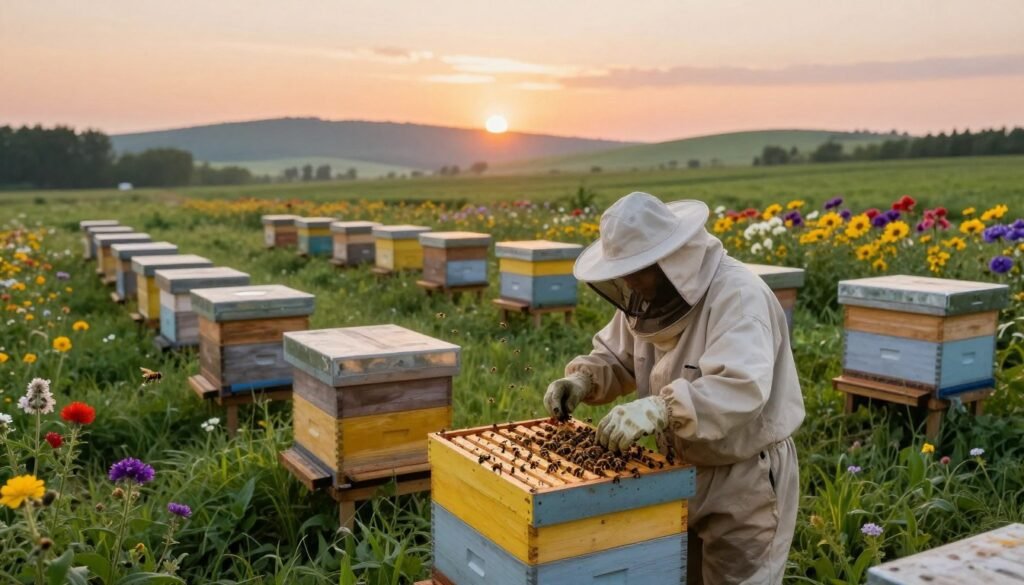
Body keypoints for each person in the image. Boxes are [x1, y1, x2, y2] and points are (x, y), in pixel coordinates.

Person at [544, 192, 804, 585]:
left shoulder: (737, 296)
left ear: (669, 260)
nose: (628, 281)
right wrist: (583, 379)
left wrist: (661, 409)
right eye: (622, 270)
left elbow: (741, 388)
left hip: (744, 474)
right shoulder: (648, 297)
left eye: (636, 270)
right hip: (679, 469)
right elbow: (618, 356)